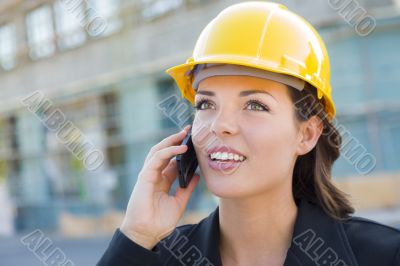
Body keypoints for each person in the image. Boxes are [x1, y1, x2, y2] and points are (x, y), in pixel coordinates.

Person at [97, 2, 400, 265]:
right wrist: (136, 235)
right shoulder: (153, 257)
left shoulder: (383, 256)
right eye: (206, 103)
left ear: (307, 135)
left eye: (255, 105)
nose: (219, 125)